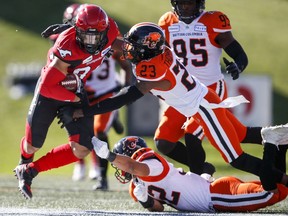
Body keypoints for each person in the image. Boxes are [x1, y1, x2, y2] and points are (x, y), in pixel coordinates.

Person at [57, 22, 288, 193]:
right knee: (242, 134)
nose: (129, 49)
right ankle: (279, 141)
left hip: (204, 109)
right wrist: (79, 30)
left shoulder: (153, 69)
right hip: (203, 102)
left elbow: (125, 97)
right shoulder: (158, 52)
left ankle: (279, 167)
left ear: (147, 50)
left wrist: (83, 111)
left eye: (135, 47)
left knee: (235, 158)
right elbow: (120, 44)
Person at [155, 0, 287, 175]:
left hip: (209, 89)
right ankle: (278, 138)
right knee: (163, 142)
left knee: (192, 136)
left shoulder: (214, 20)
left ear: (199, 3)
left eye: (190, 3)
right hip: (181, 92)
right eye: (182, 3)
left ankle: (196, 182)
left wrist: (238, 65)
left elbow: (238, 53)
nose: (186, 7)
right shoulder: (165, 22)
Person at [13, 4, 126, 199]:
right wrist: (73, 99)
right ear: (77, 31)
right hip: (51, 92)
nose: (91, 42)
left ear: (106, 31)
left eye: (96, 36)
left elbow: (117, 44)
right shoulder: (66, 46)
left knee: (82, 148)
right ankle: (24, 160)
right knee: (33, 145)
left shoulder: (110, 31)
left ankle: (30, 170)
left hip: (76, 87)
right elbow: (48, 86)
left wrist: (132, 50)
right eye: (86, 36)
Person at [43, 3, 131, 190]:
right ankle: (81, 164)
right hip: (80, 94)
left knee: (98, 131)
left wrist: (125, 88)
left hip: (104, 93)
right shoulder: (66, 42)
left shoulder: (105, 40)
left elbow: (124, 63)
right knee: (79, 132)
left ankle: (102, 176)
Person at [91, 135, 288, 213]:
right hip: (211, 192)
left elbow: (133, 167)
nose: (121, 169)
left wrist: (108, 155)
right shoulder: (136, 186)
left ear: (131, 156)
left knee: (271, 194)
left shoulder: (150, 164)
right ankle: (281, 145)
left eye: (122, 162)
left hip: (216, 196)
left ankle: (270, 143)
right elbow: (158, 208)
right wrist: (145, 201)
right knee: (280, 189)